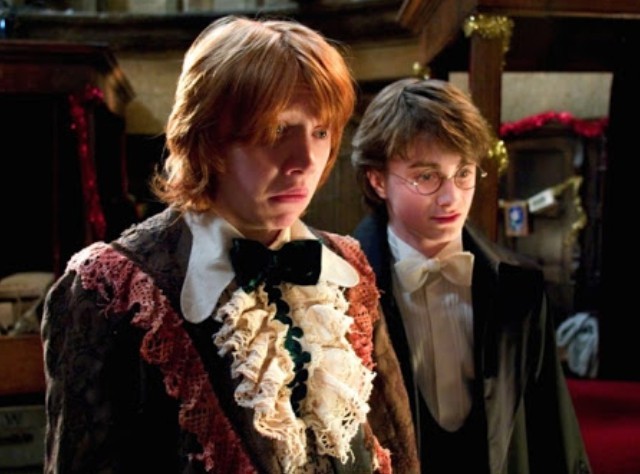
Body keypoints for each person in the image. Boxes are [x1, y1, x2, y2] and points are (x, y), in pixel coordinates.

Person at [41, 16, 419, 474]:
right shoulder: (108, 292)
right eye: (277, 130)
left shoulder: (344, 268)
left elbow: (397, 447)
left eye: (320, 132)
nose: (306, 160)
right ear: (208, 138)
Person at [351, 77, 591, 474]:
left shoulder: (519, 286)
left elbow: (550, 426)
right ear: (378, 180)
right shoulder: (336, 287)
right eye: (426, 177)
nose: (452, 198)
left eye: (463, 173)